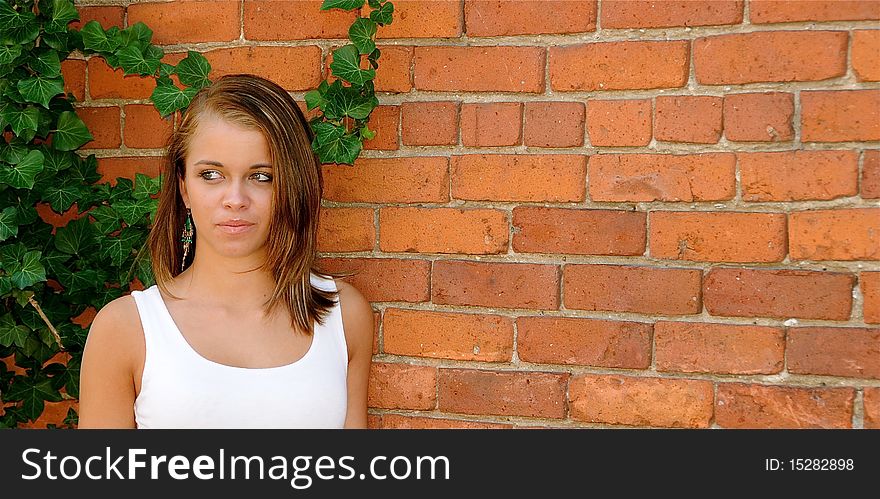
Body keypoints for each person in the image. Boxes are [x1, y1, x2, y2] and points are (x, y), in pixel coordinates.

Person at [77, 74, 373, 429]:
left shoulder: (344, 316)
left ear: (293, 186)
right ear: (184, 187)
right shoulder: (125, 328)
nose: (235, 200)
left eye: (262, 177)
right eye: (211, 175)